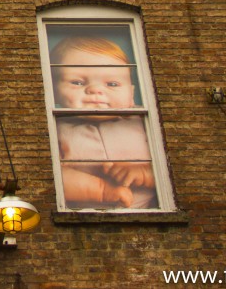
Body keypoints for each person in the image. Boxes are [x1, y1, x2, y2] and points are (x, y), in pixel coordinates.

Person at [52, 36, 157, 209]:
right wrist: (102, 191)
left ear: (131, 94)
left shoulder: (142, 123)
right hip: (84, 214)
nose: (95, 90)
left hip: (144, 211)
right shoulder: (57, 128)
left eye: (112, 84)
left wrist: (145, 173)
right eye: (77, 82)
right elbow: (55, 177)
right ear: (53, 91)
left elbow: (173, 170)